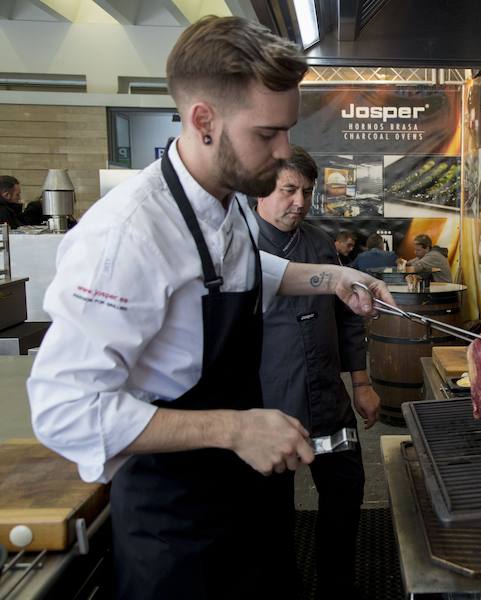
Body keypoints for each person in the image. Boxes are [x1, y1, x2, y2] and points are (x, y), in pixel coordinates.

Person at [26, 16, 393, 600]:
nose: (282, 155)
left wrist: (336, 277)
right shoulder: (127, 236)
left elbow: (244, 273)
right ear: (203, 121)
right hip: (176, 527)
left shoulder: (226, 203)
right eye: (267, 134)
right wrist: (234, 427)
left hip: (244, 499)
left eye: (287, 132)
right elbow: (64, 409)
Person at [255, 146, 378, 598]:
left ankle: (337, 586)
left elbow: (347, 317)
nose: (300, 202)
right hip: (271, 406)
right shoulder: (239, 246)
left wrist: (361, 382)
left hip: (328, 401)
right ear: (262, 189)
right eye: (289, 190)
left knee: (346, 492)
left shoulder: (320, 243)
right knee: (272, 514)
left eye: (307, 191)